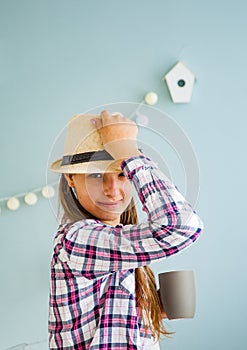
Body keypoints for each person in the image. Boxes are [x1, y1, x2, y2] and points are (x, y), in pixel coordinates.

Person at [48, 110, 204, 350]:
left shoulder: (115, 239)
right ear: (71, 178)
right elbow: (181, 226)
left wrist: (145, 309)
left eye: (122, 174)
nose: (113, 189)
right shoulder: (78, 238)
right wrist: (127, 150)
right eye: (97, 175)